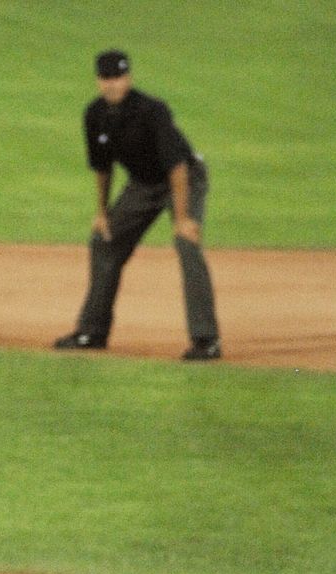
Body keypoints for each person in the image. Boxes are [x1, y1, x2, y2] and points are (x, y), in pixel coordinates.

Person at [52, 50, 223, 361]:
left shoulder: (152, 111)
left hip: (184, 178)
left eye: (118, 78)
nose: (112, 85)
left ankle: (206, 340)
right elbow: (103, 168)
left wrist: (183, 218)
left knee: (186, 244)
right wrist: (102, 213)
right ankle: (92, 332)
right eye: (106, 79)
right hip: (144, 184)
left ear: (128, 78)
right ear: (98, 81)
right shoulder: (94, 115)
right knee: (104, 241)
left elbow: (177, 166)